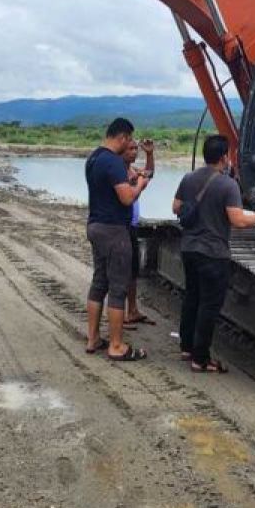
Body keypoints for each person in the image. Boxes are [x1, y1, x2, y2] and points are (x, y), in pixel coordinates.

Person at [171, 135, 255, 373]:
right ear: (225, 157)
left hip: (189, 249)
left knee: (192, 298)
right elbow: (237, 220)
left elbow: (176, 207)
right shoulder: (228, 185)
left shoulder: (189, 177)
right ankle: (201, 359)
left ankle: (186, 347)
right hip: (213, 253)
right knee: (209, 305)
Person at [85, 117, 150, 360]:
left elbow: (109, 190)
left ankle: (93, 339)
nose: (131, 144)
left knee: (99, 282)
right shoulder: (113, 162)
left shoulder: (94, 158)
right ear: (122, 137)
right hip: (114, 230)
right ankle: (116, 345)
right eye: (130, 139)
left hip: (95, 225)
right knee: (118, 287)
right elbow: (125, 199)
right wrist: (140, 184)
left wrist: (130, 181)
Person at [123, 136, 156, 328]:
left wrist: (149, 154)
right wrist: (139, 182)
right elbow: (142, 182)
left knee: (133, 271)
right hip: (124, 227)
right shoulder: (122, 173)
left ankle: (132, 309)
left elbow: (149, 174)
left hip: (132, 226)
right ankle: (123, 314)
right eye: (131, 149)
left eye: (136, 149)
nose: (135, 152)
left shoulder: (132, 171)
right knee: (124, 272)